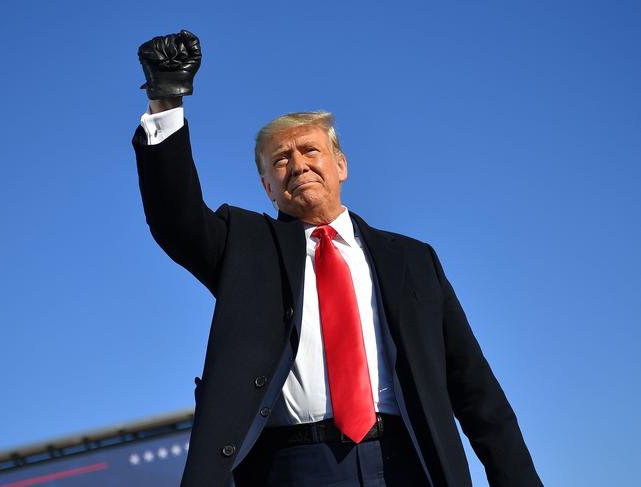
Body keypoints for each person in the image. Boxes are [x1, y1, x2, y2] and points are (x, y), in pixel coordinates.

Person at [132, 30, 543, 487]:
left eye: (311, 150)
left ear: (341, 165)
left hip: (408, 462)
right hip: (290, 469)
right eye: (281, 160)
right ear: (268, 187)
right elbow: (176, 219)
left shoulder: (413, 260)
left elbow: (478, 396)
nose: (299, 164)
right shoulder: (245, 247)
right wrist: (166, 100)